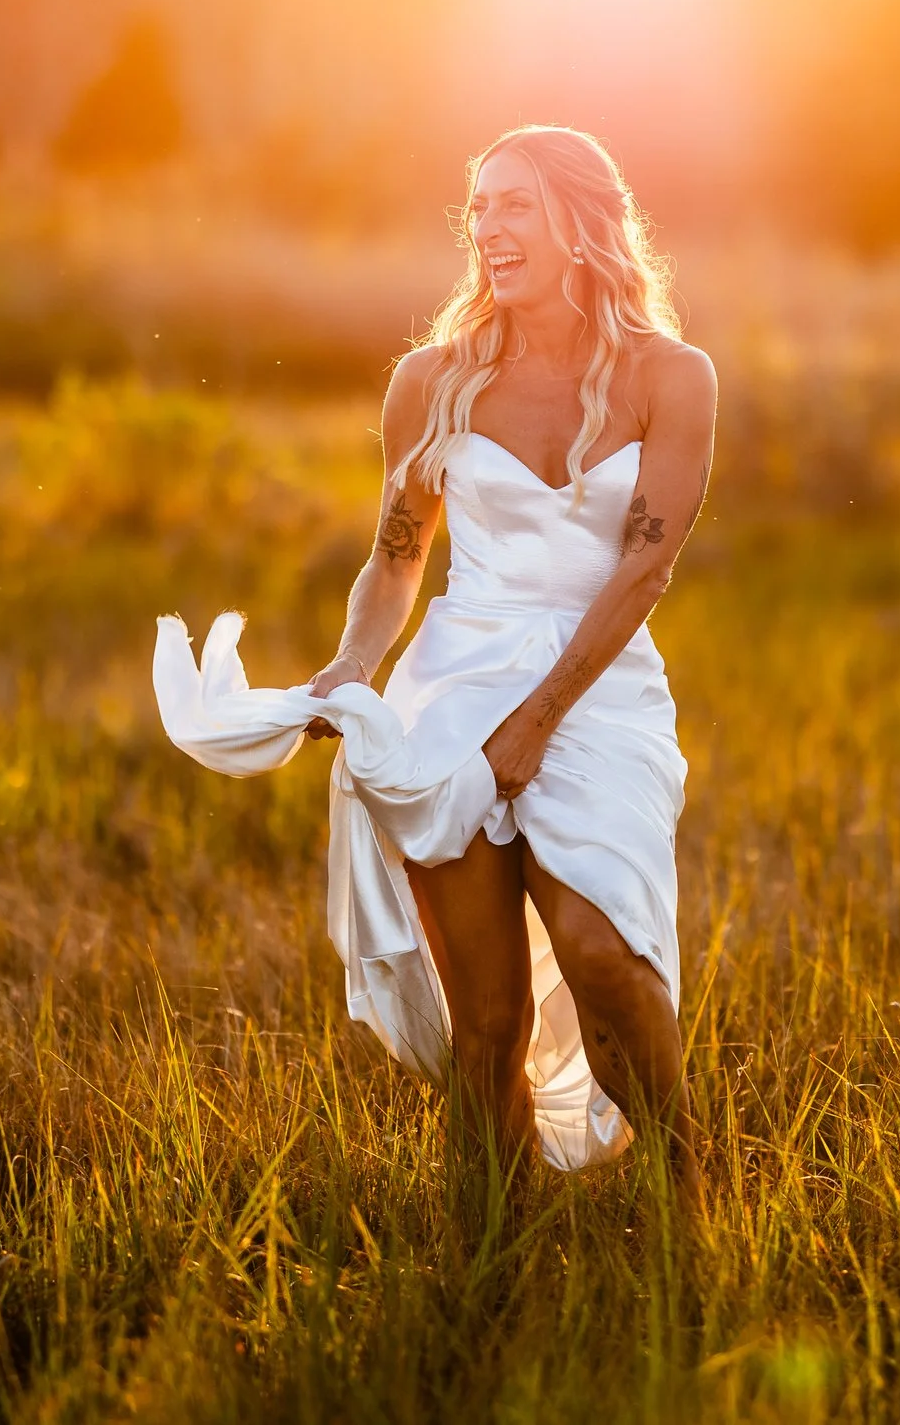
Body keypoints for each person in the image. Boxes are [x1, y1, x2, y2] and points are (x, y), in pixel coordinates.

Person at [302, 125, 714, 1192]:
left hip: (600, 685)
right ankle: (483, 1251)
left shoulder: (672, 377)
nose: (489, 227)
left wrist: (537, 720)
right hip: (455, 681)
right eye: (479, 207)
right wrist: (353, 661)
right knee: (484, 1017)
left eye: (516, 204)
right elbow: (397, 560)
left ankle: (695, 1179)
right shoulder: (431, 381)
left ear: (581, 224)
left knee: (599, 947)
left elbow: (643, 567)